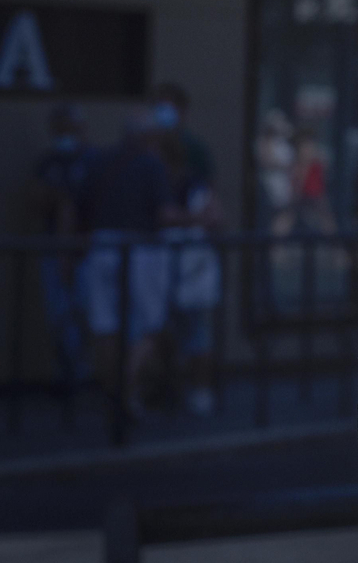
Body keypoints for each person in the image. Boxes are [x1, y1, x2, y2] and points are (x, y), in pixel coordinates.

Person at [82, 108, 175, 415]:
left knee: (105, 326)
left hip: (100, 246)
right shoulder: (151, 163)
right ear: (149, 136)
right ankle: (124, 391)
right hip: (140, 248)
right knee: (151, 325)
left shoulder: (98, 160)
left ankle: (115, 395)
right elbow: (165, 214)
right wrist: (199, 218)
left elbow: (78, 206)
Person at [152, 84, 222, 416]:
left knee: (195, 330)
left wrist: (189, 219)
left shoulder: (196, 160)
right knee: (163, 329)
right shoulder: (150, 153)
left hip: (191, 259)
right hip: (161, 258)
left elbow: (213, 210)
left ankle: (199, 390)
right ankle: (171, 389)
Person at [26, 103, 101, 384]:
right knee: (58, 314)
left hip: (87, 249)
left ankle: (88, 370)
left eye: (70, 129)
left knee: (86, 310)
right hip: (53, 247)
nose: (65, 135)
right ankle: (67, 372)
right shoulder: (48, 162)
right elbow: (35, 201)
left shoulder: (94, 160)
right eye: (59, 130)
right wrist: (54, 198)